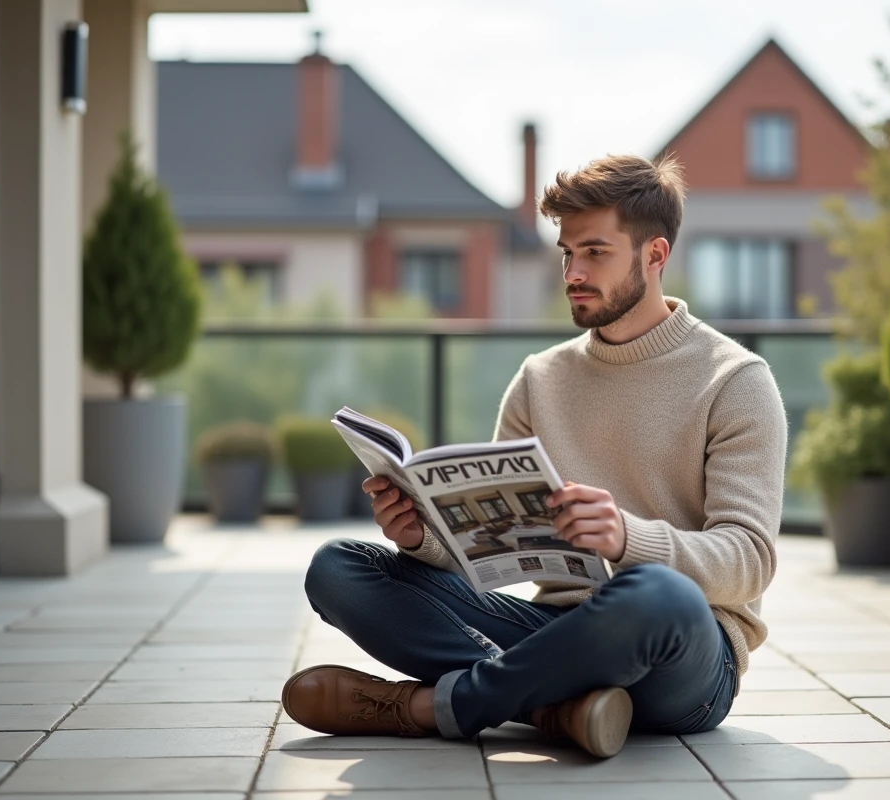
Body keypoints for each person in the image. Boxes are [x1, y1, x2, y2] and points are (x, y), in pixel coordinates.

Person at [282, 153, 789, 758]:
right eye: (567, 252)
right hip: (553, 629)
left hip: (680, 658)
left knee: (660, 594)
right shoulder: (539, 379)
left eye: (595, 252)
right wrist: (423, 538)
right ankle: (554, 706)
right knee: (339, 567)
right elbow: (492, 557)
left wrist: (629, 539)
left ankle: (432, 706)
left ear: (655, 255)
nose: (573, 271)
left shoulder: (735, 379)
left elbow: (750, 560)